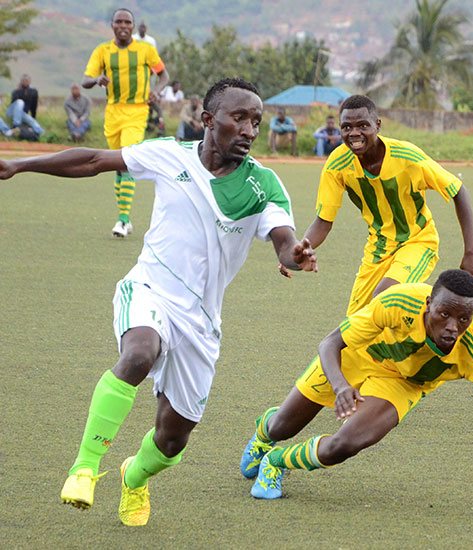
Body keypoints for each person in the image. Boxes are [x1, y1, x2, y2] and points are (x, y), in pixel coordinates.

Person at [0, 77, 318, 527]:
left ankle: (134, 476)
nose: (249, 129)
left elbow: (284, 239)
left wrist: (296, 256)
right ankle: (84, 467)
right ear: (209, 120)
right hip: (149, 287)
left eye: (256, 121)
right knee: (139, 354)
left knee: (172, 441)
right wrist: (20, 166)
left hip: (202, 321)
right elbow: (93, 160)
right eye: (239, 118)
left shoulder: (263, 184)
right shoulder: (169, 154)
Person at [240, 269, 473, 518]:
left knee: (345, 445)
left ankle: (277, 461)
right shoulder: (399, 301)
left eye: (464, 318)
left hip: (402, 384)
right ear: (429, 304)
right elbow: (330, 343)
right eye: (444, 314)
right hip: (356, 356)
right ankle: (263, 434)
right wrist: (342, 385)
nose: (452, 327)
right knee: (282, 426)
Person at [301, 94, 473, 316]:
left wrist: (471, 252)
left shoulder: (407, 158)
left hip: (417, 242)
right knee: (355, 323)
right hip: (377, 249)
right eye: (347, 127)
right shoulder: (337, 164)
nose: (354, 133)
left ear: (377, 126)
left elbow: (457, 190)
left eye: (363, 126)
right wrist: (301, 248)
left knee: (382, 300)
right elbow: (323, 221)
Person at [83, 8, 169, 238]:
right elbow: (85, 81)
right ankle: (126, 219)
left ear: (133, 26)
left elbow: (164, 75)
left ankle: (122, 220)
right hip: (113, 112)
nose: (123, 25)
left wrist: (157, 91)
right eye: (118, 21)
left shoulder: (146, 50)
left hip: (137, 111)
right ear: (112, 25)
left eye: (127, 22)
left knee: (127, 161)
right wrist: (96, 80)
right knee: (116, 164)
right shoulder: (103, 51)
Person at [6, 74, 44, 139]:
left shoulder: (33, 92)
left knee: (32, 121)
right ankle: (16, 125)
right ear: (21, 82)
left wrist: (33, 116)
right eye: (24, 80)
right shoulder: (16, 91)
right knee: (20, 102)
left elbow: (34, 106)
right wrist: (18, 90)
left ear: (30, 81)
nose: (26, 82)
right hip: (12, 112)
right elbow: (13, 103)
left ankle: (42, 134)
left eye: (27, 80)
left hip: (22, 113)